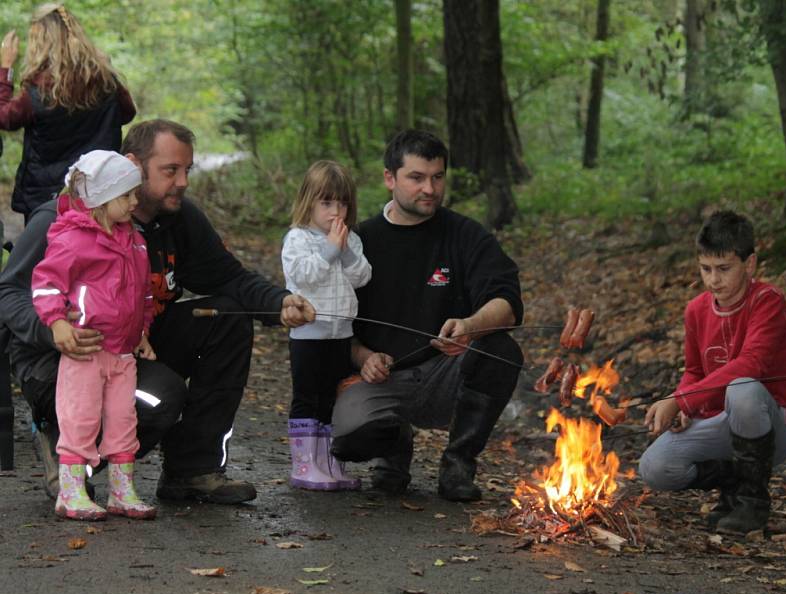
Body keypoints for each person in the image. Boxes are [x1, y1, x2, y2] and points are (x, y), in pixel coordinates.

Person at [0, 119, 315, 505]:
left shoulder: (177, 218)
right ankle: (66, 454)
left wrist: (280, 302)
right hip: (62, 358)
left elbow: (228, 277)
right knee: (160, 397)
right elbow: (10, 291)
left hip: (129, 344)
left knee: (226, 316)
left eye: (187, 170)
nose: (182, 181)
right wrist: (54, 330)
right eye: (171, 170)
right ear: (132, 165)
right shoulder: (63, 220)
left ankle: (192, 471)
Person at [329, 129, 524, 502]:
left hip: (447, 375)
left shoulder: (465, 234)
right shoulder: (359, 241)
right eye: (416, 178)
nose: (429, 189)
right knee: (349, 437)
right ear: (390, 178)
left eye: (437, 177)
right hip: (382, 379)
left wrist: (470, 326)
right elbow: (334, 323)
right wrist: (363, 356)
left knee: (500, 349)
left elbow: (508, 300)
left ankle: (458, 464)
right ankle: (394, 448)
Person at [639, 210, 786, 534]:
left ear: (749, 264)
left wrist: (682, 400)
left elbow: (750, 364)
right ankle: (735, 484)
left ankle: (751, 504)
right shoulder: (696, 310)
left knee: (743, 388)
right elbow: (694, 372)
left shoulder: (768, 301)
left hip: (773, 426)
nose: (714, 280)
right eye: (706, 269)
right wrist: (687, 407)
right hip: (720, 420)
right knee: (654, 467)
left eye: (724, 269)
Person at [32, 150, 156, 521]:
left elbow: (142, 293)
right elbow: (45, 284)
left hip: (122, 352)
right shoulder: (73, 240)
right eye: (127, 195)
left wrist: (143, 330)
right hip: (85, 351)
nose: (136, 202)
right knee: (81, 419)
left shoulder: (134, 240)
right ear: (102, 198)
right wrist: (58, 322)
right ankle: (70, 493)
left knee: (123, 419)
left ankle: (122, 491)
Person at [281, 160, 372, 491]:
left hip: (340, 335)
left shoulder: (350, 240)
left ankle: (331, 462)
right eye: (327, 202)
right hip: (309, 335)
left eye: (342, 202)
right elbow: (304, 276)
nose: (336, 210)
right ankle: (306, 464)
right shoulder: (298, 239)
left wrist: (345, 250)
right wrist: (330, 249)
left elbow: (362, 277)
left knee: (332, 398)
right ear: (309, 201)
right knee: (308, 396)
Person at [0, 3, 136, 222]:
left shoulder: (40, 90)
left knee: (48, 254)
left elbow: (4, 117)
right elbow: (127, 113)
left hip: (47, 201)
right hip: (98, 193)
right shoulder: (104, 81)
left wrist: (6, 68)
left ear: (40, 44)